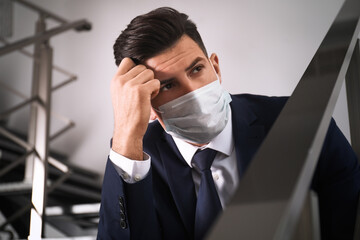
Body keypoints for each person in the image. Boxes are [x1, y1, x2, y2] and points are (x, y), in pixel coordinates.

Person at [97, 7, 360, 240]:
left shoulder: (300, 120)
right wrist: (125, 135)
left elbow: (349, 219)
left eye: (196, 69)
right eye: (167, 85)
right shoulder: (138, 158)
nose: (192, 92)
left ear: (216, 67)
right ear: (149, 102)